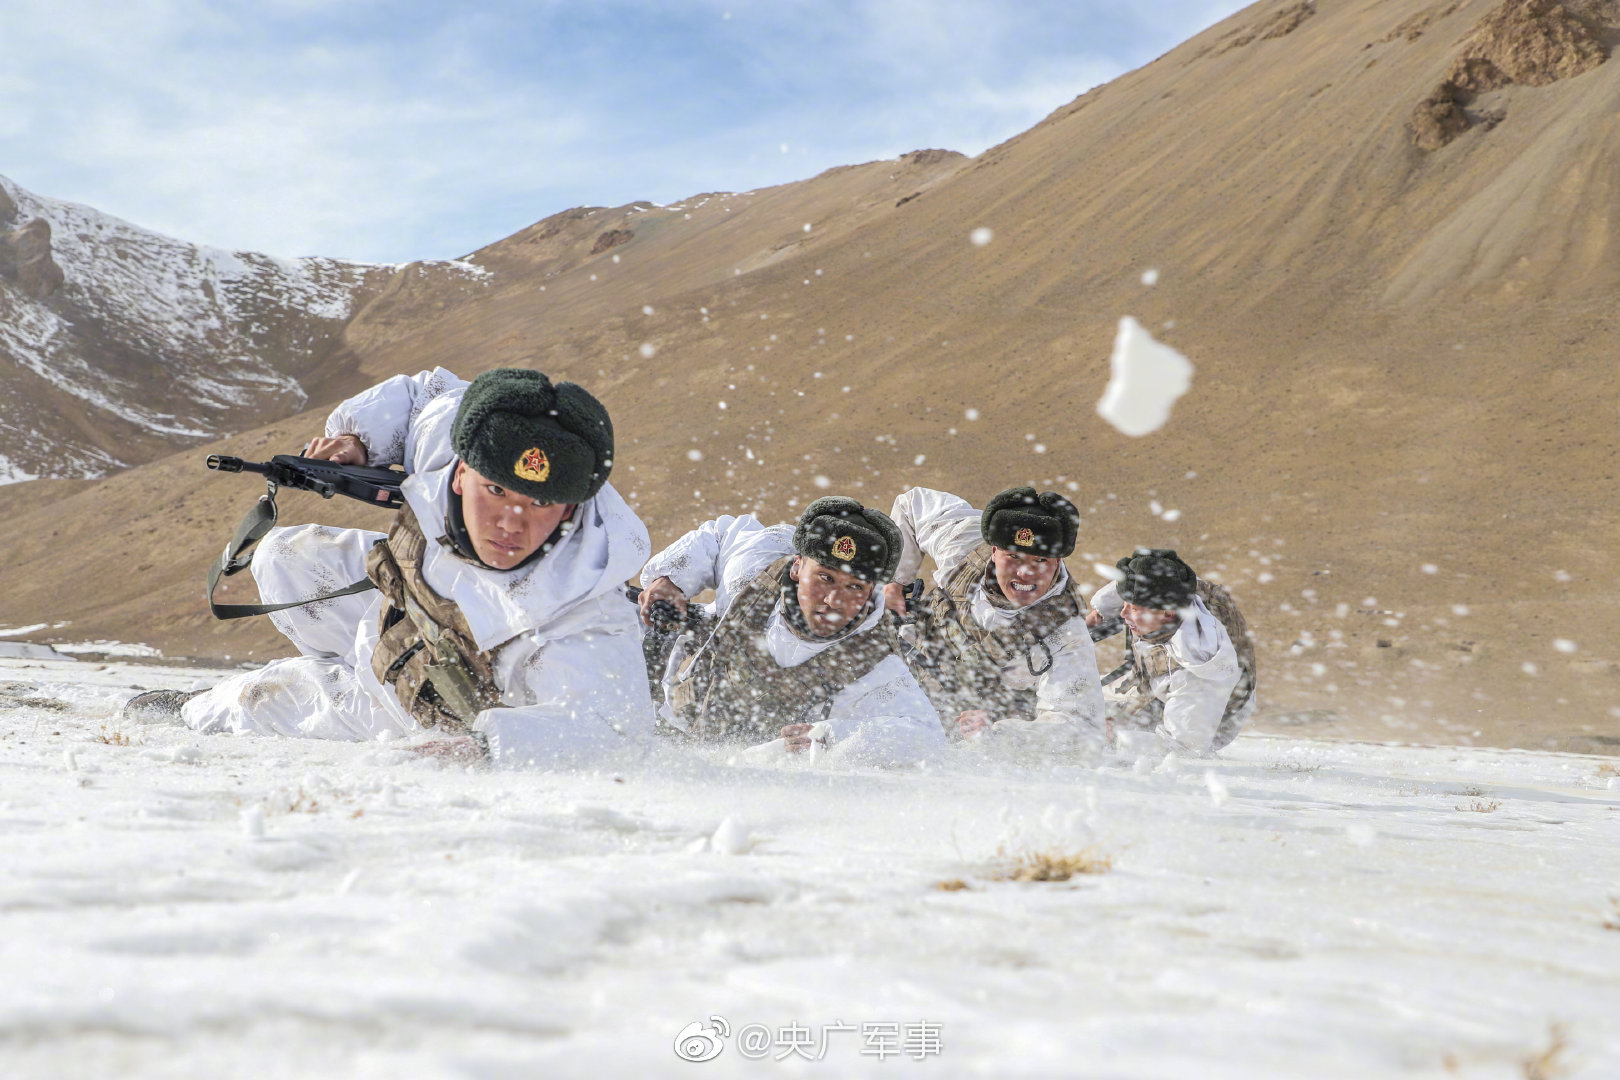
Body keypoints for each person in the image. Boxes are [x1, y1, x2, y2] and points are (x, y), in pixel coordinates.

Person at [126, 367, 656, 767]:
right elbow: (424, 392)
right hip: (395, 610)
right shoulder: (450, 436)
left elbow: (616, 732)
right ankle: (338, 666)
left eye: (540, 506)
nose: (511, 523)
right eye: (495, 490)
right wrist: (358, 437)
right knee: (283, 557)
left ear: (570, 509)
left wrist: (486, 750)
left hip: (418, 705)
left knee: (267, 700)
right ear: (459, 472)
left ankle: (224, 705)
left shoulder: (585, 614)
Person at [636, 497, 944, 766]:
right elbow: (720, 534)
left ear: (870, 591)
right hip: (668, 711)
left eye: (854, 587)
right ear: (797, 567)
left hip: (746, 767)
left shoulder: (874, 661)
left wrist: (832, 737)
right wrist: (670, 578)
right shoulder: (751, 570)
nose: (834, 600)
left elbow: (928, 737)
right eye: (825, 577)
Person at [885, 486, 1106, 743]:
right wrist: (896, 581)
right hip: (913, 677)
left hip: (983, 731)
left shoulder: (1067, 633)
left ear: (1057, 563)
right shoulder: (961, 544)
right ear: (993, 551)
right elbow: (911, 503)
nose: (1024, 573)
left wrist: (1001, 731)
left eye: (1040, 561)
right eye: (1013, 556)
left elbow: (1082, 729)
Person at [1086, 548, 1255, 755]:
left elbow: (1183, 749)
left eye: (1135, 608)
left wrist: (1118, 734)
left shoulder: (1197, 665)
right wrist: (1099, 613)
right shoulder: (1176, 586)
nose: (1123, 613)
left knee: (1102, 732)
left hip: (1209, 719)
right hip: (1153, 680)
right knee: (1079, 700)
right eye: (1125, 604)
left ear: (1168, 613)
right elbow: (1143, 575)